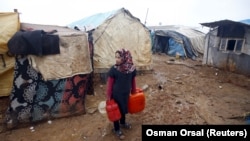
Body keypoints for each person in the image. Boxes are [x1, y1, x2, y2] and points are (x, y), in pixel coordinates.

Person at [106, 48, 137, 140]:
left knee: (123, 108)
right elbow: (110, 83)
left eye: (119, 57)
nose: (116, 59)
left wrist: (134, 90)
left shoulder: (131, 69)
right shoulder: (114, 69)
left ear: (125, 57)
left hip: (125, 94)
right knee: (116, 110)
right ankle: (116, 128)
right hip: (116, 94)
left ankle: (122, 123)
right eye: (116, 57)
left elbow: (133, 80)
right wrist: (109, 95)